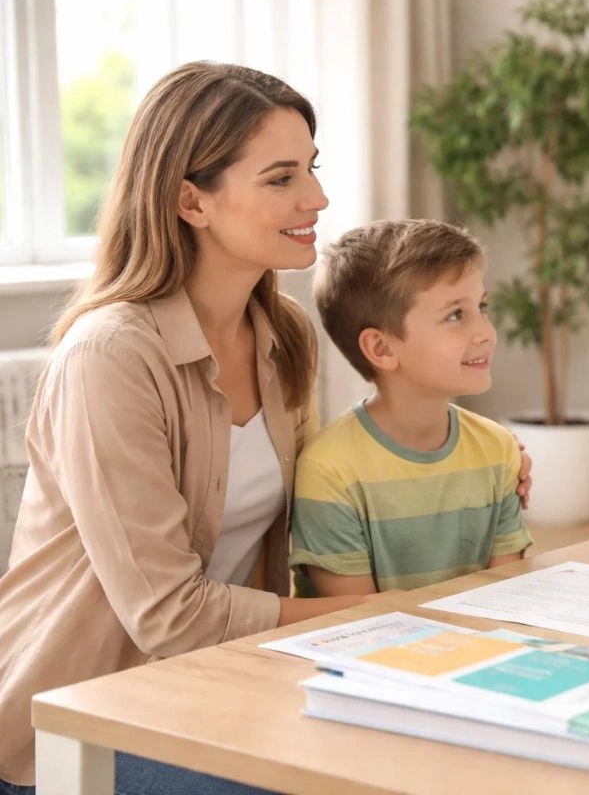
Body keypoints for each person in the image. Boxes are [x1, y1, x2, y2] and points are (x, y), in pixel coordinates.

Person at [0, 63, 530, 794]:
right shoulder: (110, 357)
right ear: (192, 201)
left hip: (221, 687)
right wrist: (389, 614)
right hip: (82, 724)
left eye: (311, 169)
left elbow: (330, 487)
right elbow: (167, 616)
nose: (317, 197)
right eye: (281, 178)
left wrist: (476, 460)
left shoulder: (282, 335)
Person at [288, 219, 532, 597]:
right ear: (382, 349)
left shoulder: (498, 449)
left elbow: (507, 596)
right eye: (455, 315)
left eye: (482, 307)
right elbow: (354, 619)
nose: (485, 331)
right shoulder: (330, 470)